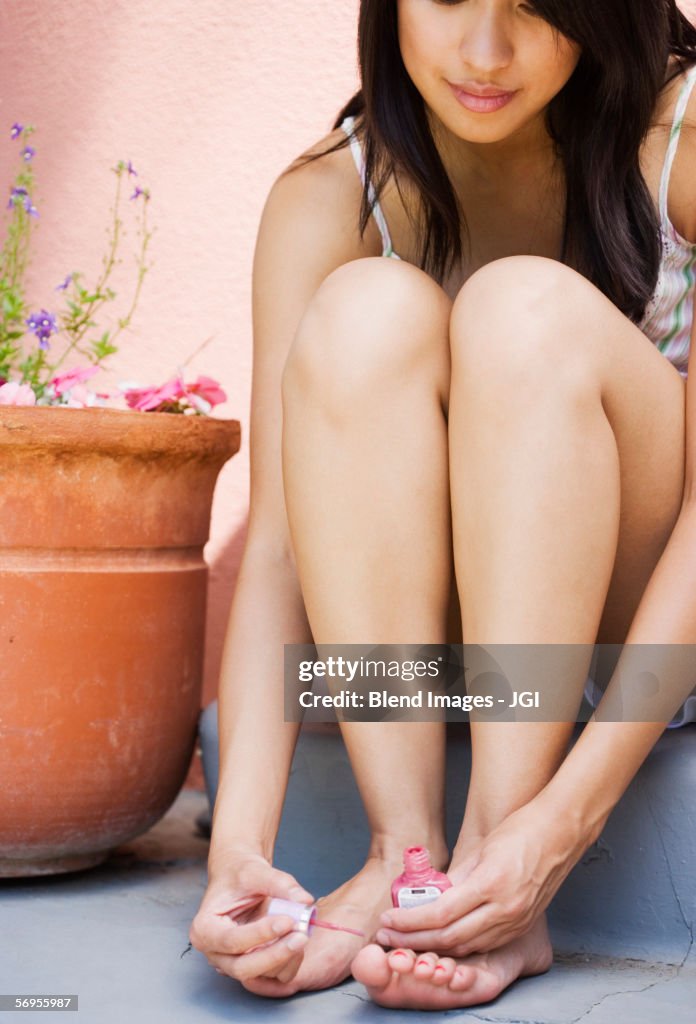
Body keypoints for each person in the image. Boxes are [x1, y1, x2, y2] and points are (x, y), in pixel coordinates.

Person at [190, 0, 696, 1011]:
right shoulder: (331, 194)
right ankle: (409, 855)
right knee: (358, 315)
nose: (484, 52)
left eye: (533, 6)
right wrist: (237, 852)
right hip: (458, 662)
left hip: (649, 627)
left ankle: (495, 859)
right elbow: (284, 551)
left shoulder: (679, 137)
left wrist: (555, 833)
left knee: (522, 308)